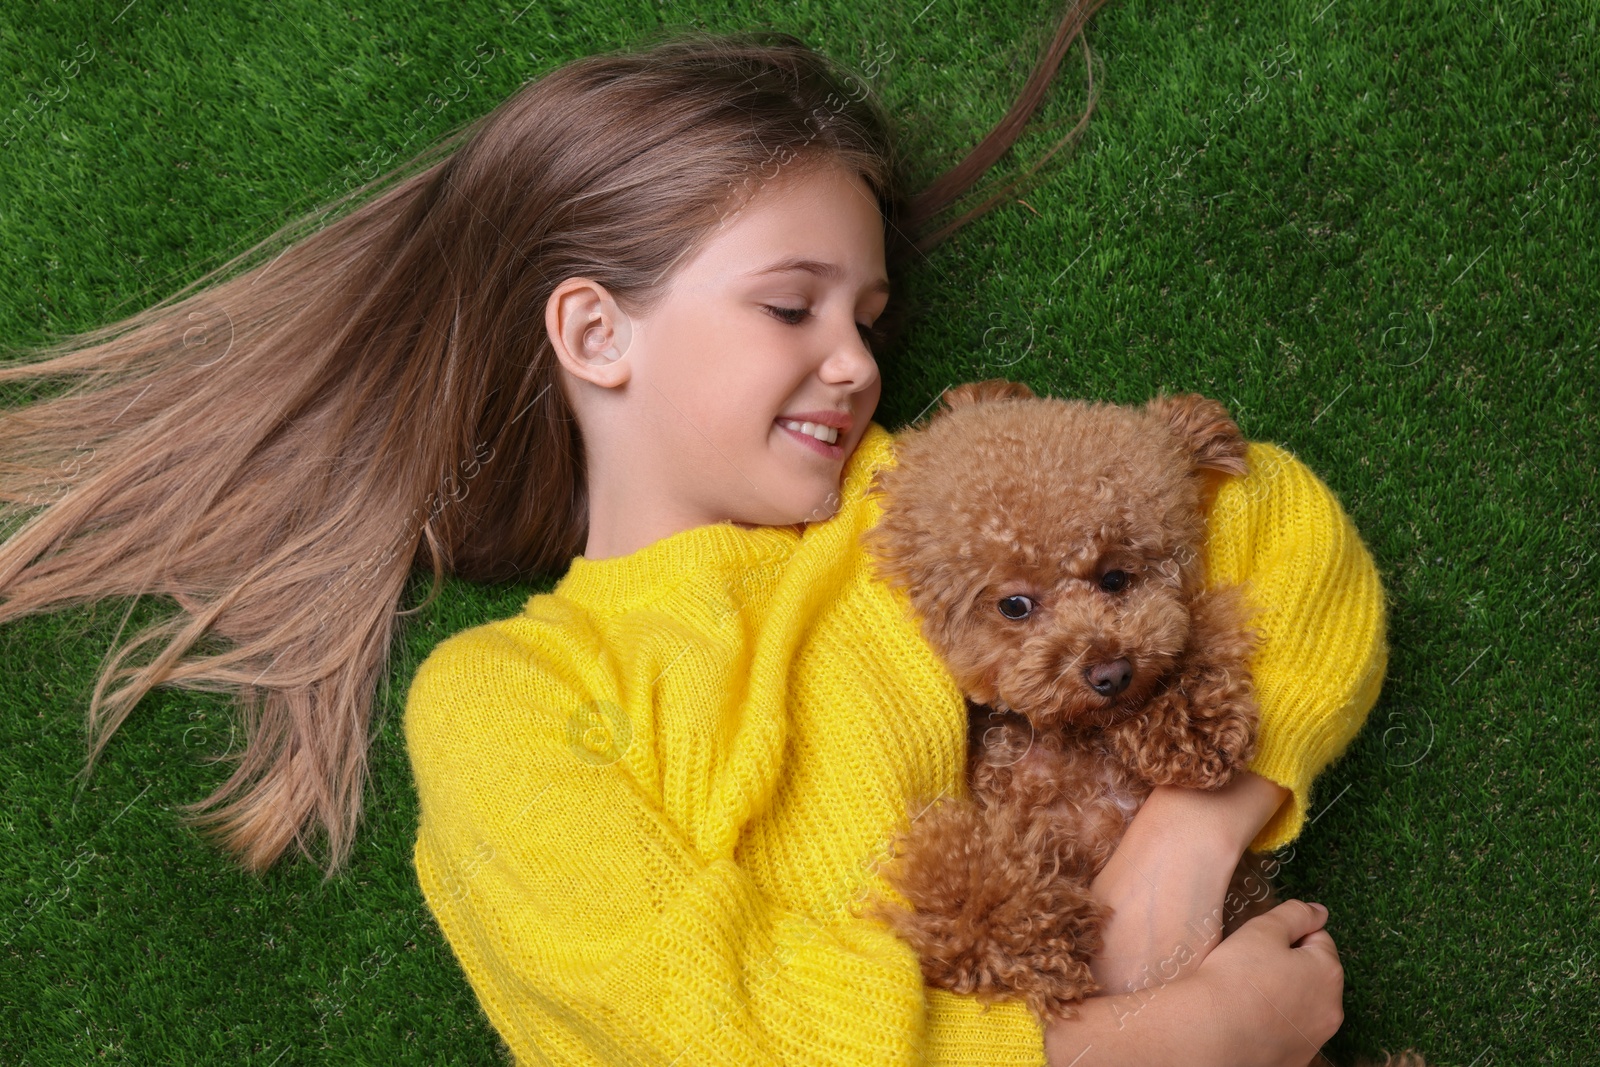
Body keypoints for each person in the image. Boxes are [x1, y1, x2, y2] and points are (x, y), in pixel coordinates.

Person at [0, 15, 1383, 1067]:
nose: (851, 362)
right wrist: (1154, 1045)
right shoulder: (509, 699)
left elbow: (1274, 512)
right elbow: (697, 1014)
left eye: (868, 318)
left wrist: (1187, 842)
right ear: (598, 333)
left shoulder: (915, 510)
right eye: (793, 308)